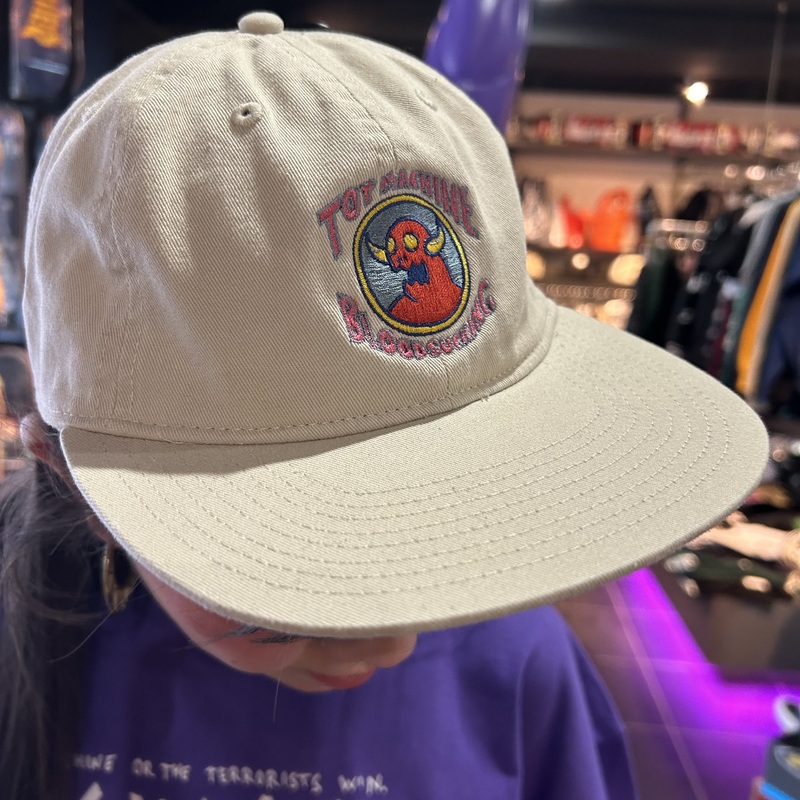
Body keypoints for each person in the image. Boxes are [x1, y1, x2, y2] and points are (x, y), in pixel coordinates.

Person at [0, 11, 767, 800]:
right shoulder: (24, 652)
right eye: (281, 602)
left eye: (455, 503)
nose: (393, 642)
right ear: (68, 477)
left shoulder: (521, 670)